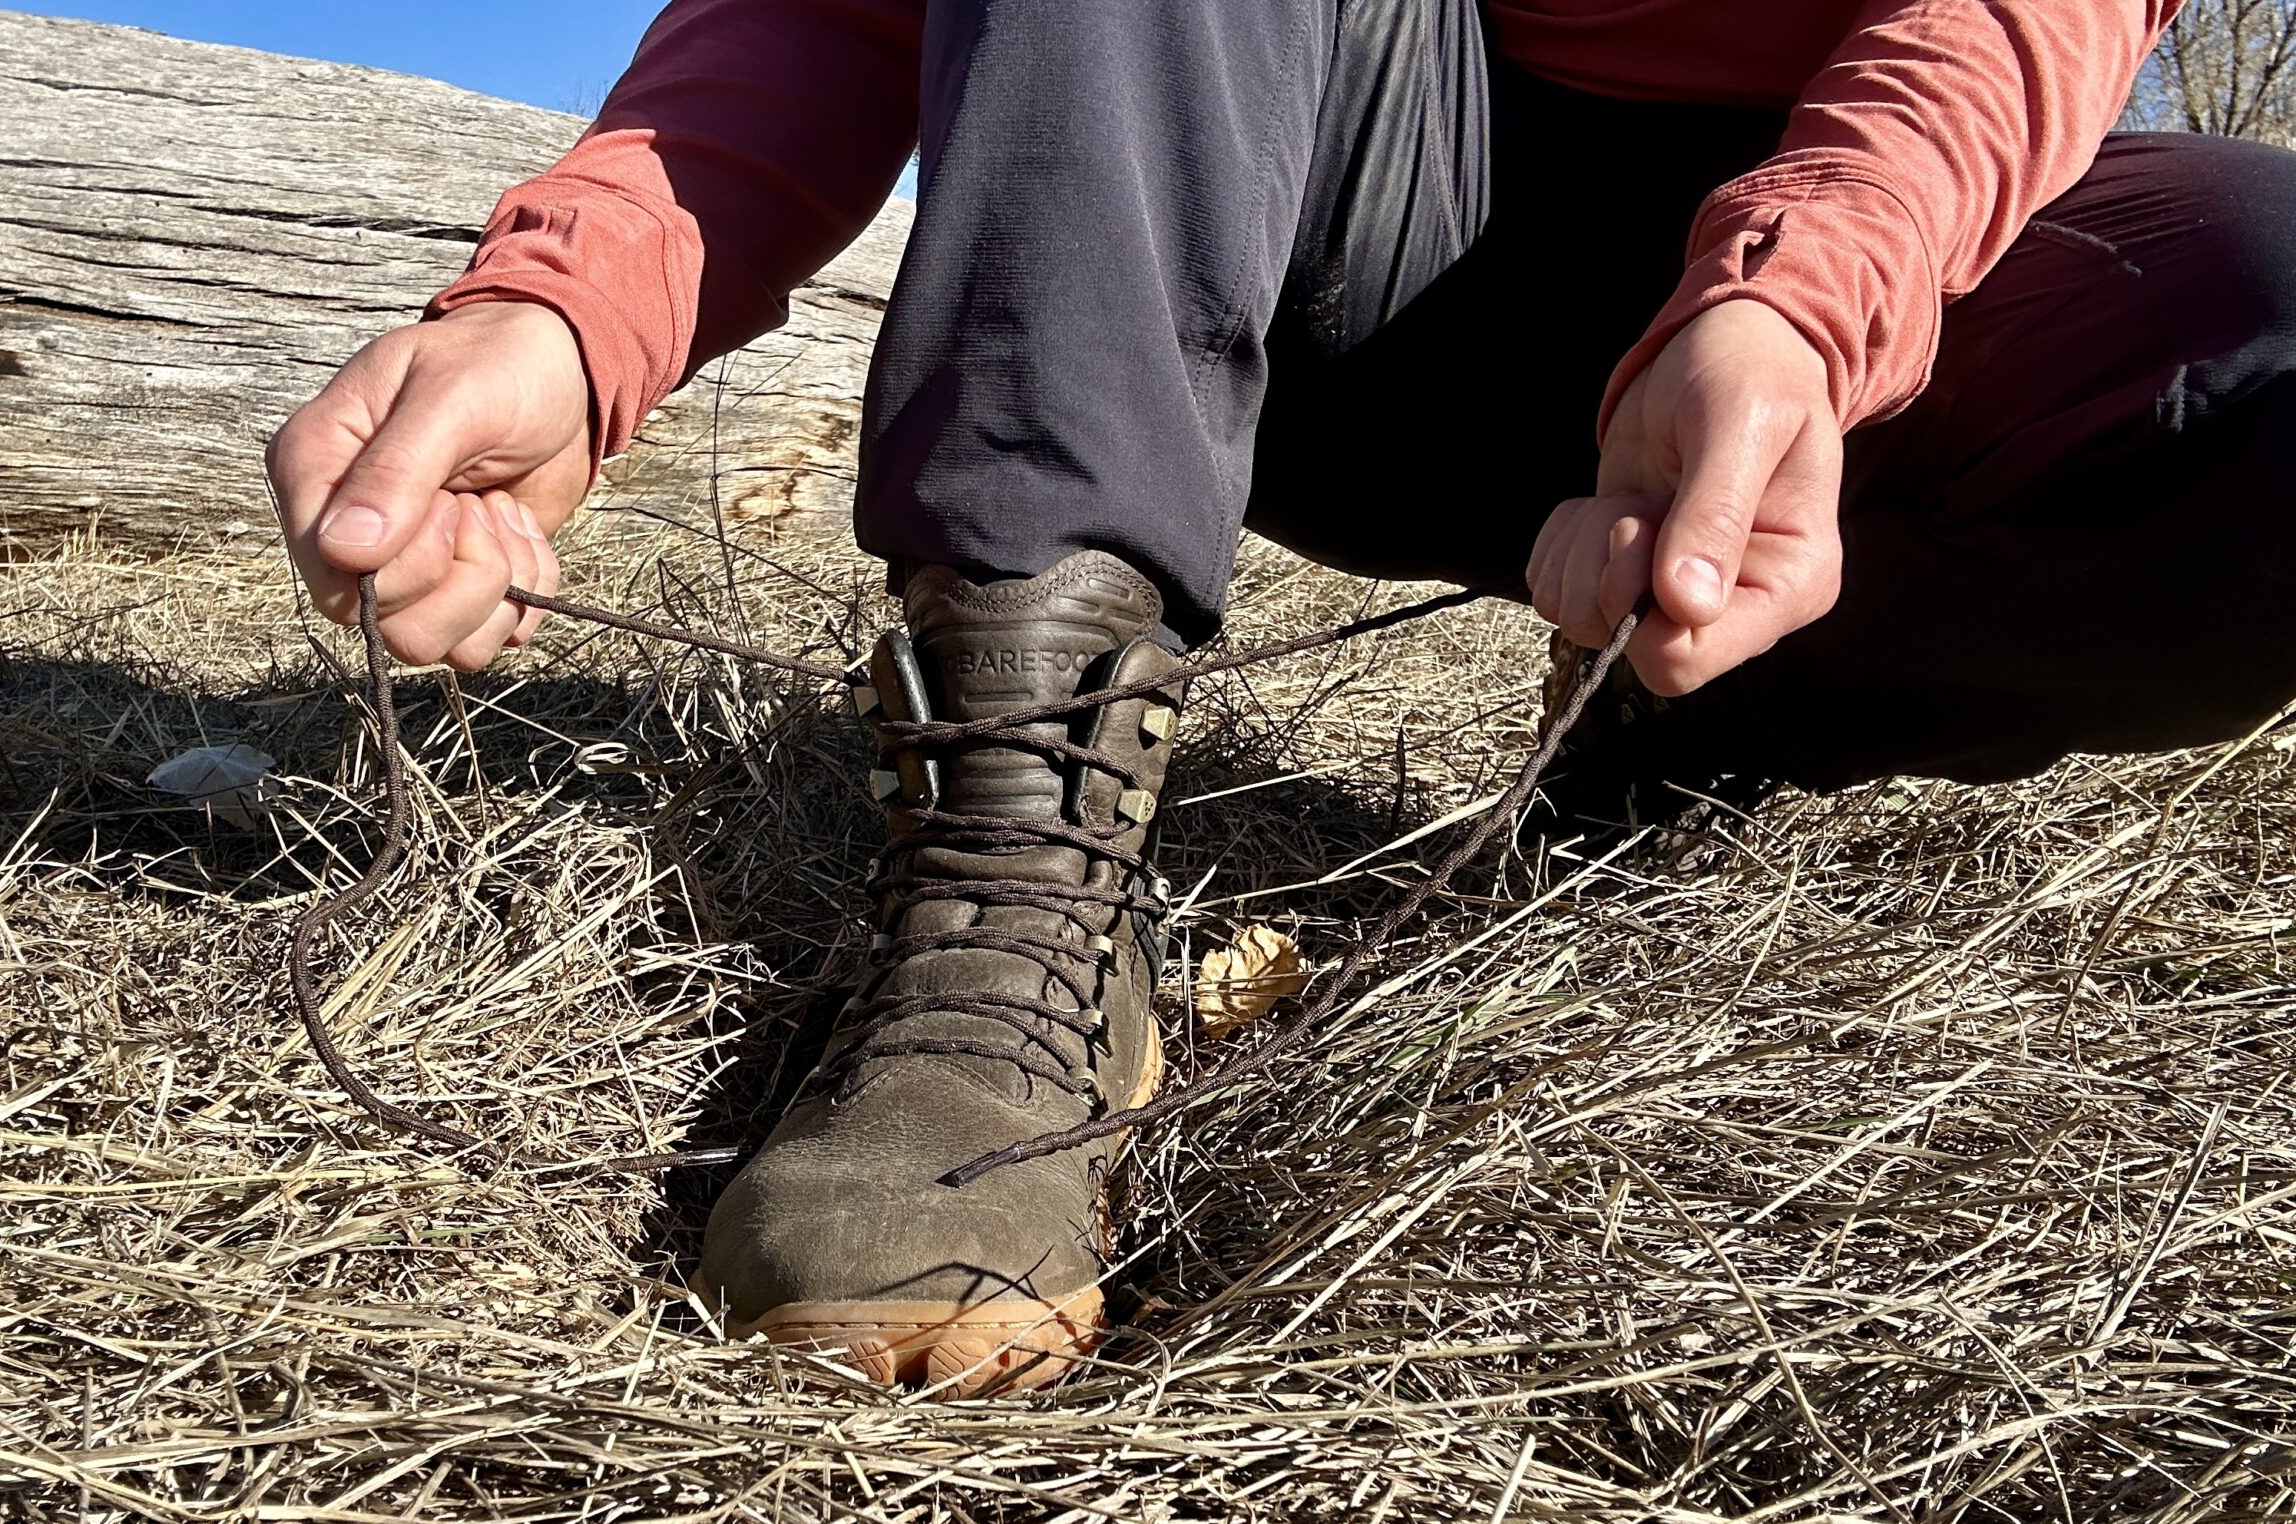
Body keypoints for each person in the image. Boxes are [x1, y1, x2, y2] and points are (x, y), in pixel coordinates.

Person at [269, 0, 2296, 1389]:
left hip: (1850, 274)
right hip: (1307, 227)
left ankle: (1695, 702)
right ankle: (1010, 866)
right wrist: (567, 295)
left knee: (2259, 332)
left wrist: (1793, 291)